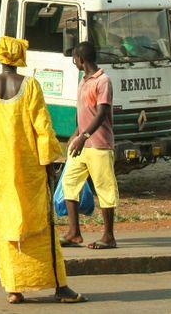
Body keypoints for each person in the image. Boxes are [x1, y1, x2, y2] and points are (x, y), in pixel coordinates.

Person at [0, 36, 85, 305]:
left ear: (0, 58)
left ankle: (14, 289)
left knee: (5, 229)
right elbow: (43, 128)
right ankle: (60, 287)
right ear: (19, 58)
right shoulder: (30, 85)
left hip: (0, 172)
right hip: (30, 169)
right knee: (41, 227)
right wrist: (49, 166)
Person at [61, 40, 119, 250]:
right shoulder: (84, 81)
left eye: (75, 59)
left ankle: (109, 236)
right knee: (69, 183)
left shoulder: (103, 81)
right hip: (82, 145)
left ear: (80, 59)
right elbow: (83, 113)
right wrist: (75, 135)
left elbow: (102, 112)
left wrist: (84, 135)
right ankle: (74, 232)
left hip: (99, 144)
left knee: (105, 188)